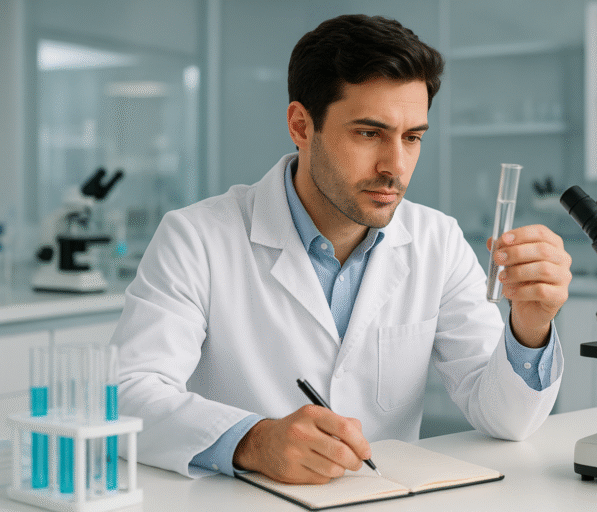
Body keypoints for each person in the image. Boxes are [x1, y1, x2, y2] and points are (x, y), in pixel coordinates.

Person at [113, 14, 572, 484]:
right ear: (300, 125)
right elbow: (128, 394)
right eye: (369, 133)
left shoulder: (439, 240)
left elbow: (505, 419)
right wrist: (253, 441)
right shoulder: (197, 237)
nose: (395, 166)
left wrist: (530, 326)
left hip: (385, 497)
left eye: (412, 137)